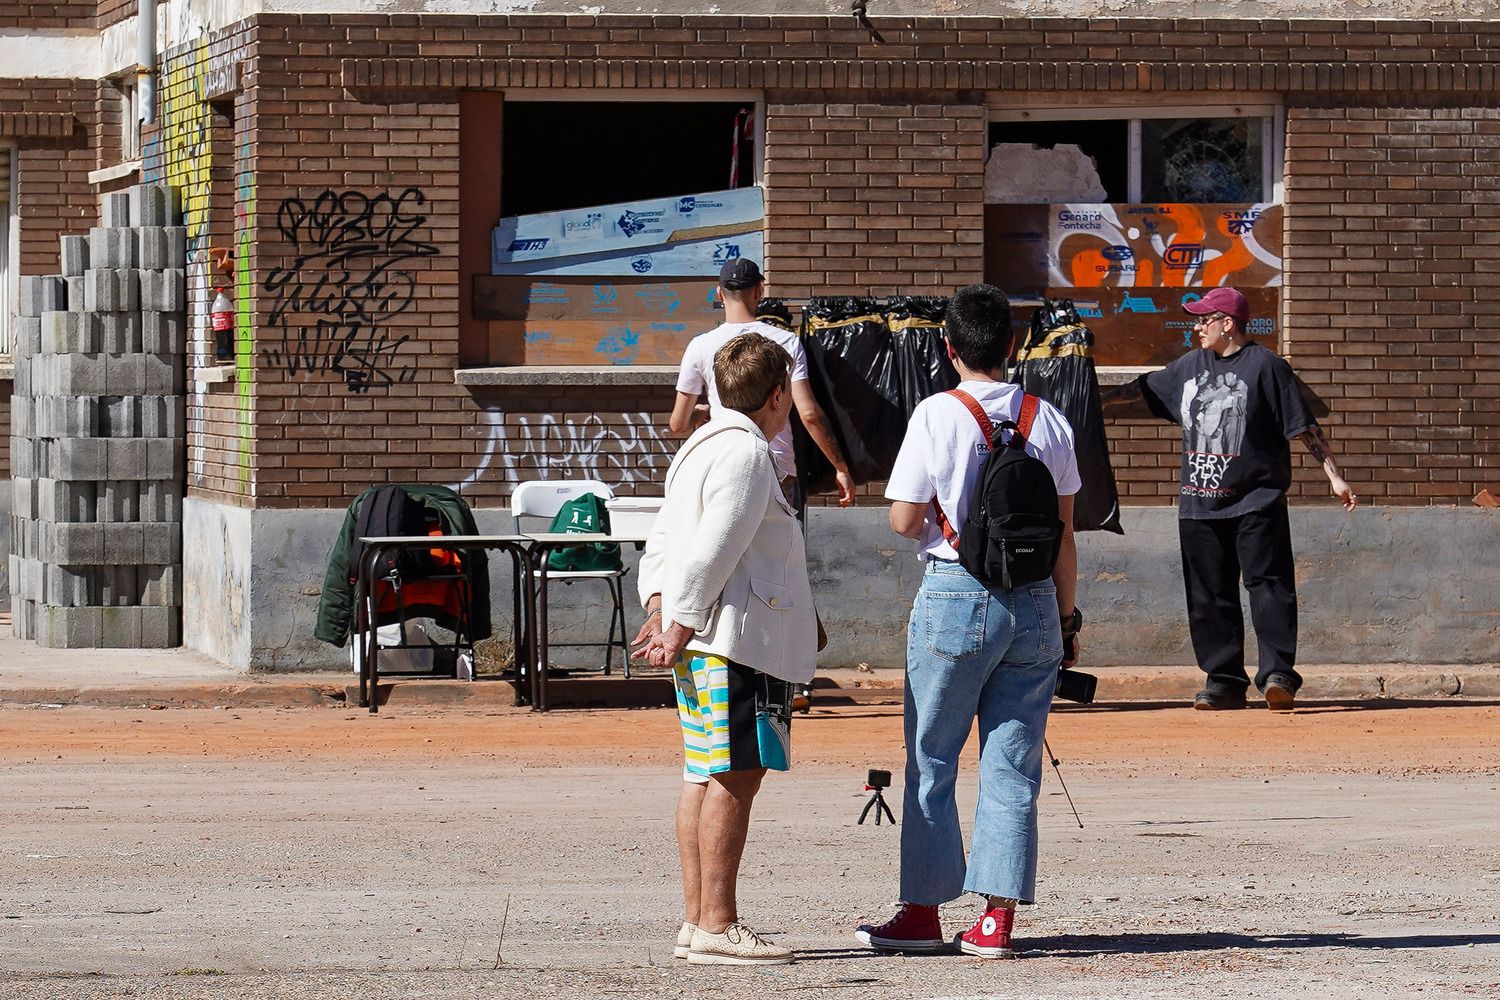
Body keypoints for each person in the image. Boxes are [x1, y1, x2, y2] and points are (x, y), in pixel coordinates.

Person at [856, 283, 1081, 960]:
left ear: (949, 348)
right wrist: (1066, 619)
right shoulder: (1050, 419)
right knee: (1012, 764)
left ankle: (922, 912)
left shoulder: (936, 414)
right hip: (1038, 600)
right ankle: (996, 922)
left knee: (930, 759)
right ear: (1012, 347)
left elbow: (902, 519)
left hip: (956, 595)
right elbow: (1066, 533)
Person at [635, 333, 819, 966]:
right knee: (736, 776)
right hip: (736, 642)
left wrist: (660, 609)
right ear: (777, 396)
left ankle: (697, 921)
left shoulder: (696, 449)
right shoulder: (746, 453)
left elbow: (660, 542)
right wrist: (679, 621)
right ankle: (719, 922)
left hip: (702, 639)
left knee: (703, 773)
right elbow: (717, 545)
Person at [1101, 286, 1357, 712]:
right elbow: (1141, 390)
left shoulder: (1268, 367)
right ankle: (1224, 681)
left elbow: (1303, 426)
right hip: (1199, 502)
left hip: (1256, 499)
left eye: (1204, 319)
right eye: (1197, 319)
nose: (1197, 326)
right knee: (1208, 595)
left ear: (1228, 323)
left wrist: (1335, 477)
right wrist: (1086, 400)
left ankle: (1278, 677)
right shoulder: (1189, 366)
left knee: (1269, 588)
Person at [671, 257, 857, 512]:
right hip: (777, 468)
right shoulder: (786, 342)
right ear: (759, 291)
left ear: (719, 293)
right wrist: (840, 468)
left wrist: (704, 413)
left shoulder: (700, 346)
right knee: (780, 548)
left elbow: (678, 423)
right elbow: (809, 414)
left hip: (724, 460)